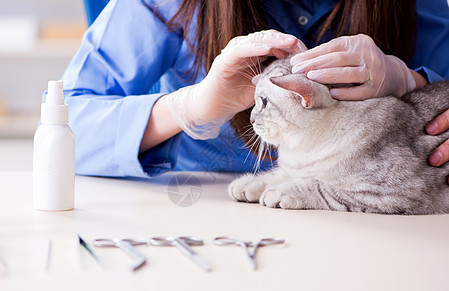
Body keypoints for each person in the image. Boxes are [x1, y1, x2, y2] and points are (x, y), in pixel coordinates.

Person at [61, 0, 449, 180]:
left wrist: (411, 80)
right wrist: (189, 108)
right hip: (206, 217)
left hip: (368, 221)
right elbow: (66, 127)